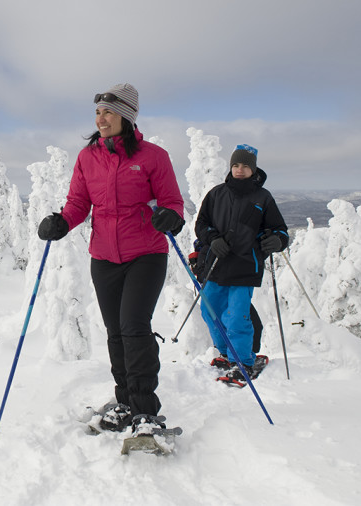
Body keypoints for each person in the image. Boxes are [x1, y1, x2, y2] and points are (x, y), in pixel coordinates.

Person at [37, 83, 185, 435]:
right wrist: (61, 222)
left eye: (108, 112)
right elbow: (78, 203)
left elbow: (172, 201)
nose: (101, 119)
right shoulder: (88, 157)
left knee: (134, 327)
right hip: (103, 257)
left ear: (127, 117)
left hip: (146, 254)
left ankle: (145, 412)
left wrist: (171, 218)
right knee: (116, 332)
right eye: (98, 113)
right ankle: (124, 402)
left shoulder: (153, 156)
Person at [194, 144, 288, 383]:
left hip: (245, 266)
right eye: (236, 165)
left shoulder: (262, 198)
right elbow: (201, 225)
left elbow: (280, 230)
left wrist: (277, 240)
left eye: (245, 166)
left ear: (253, 169)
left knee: (237, 317)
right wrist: (213, 239)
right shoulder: (216, 194)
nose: (239, 170)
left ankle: (244, 361)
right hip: (216, 264)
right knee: (210, 311)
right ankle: (227, 354)